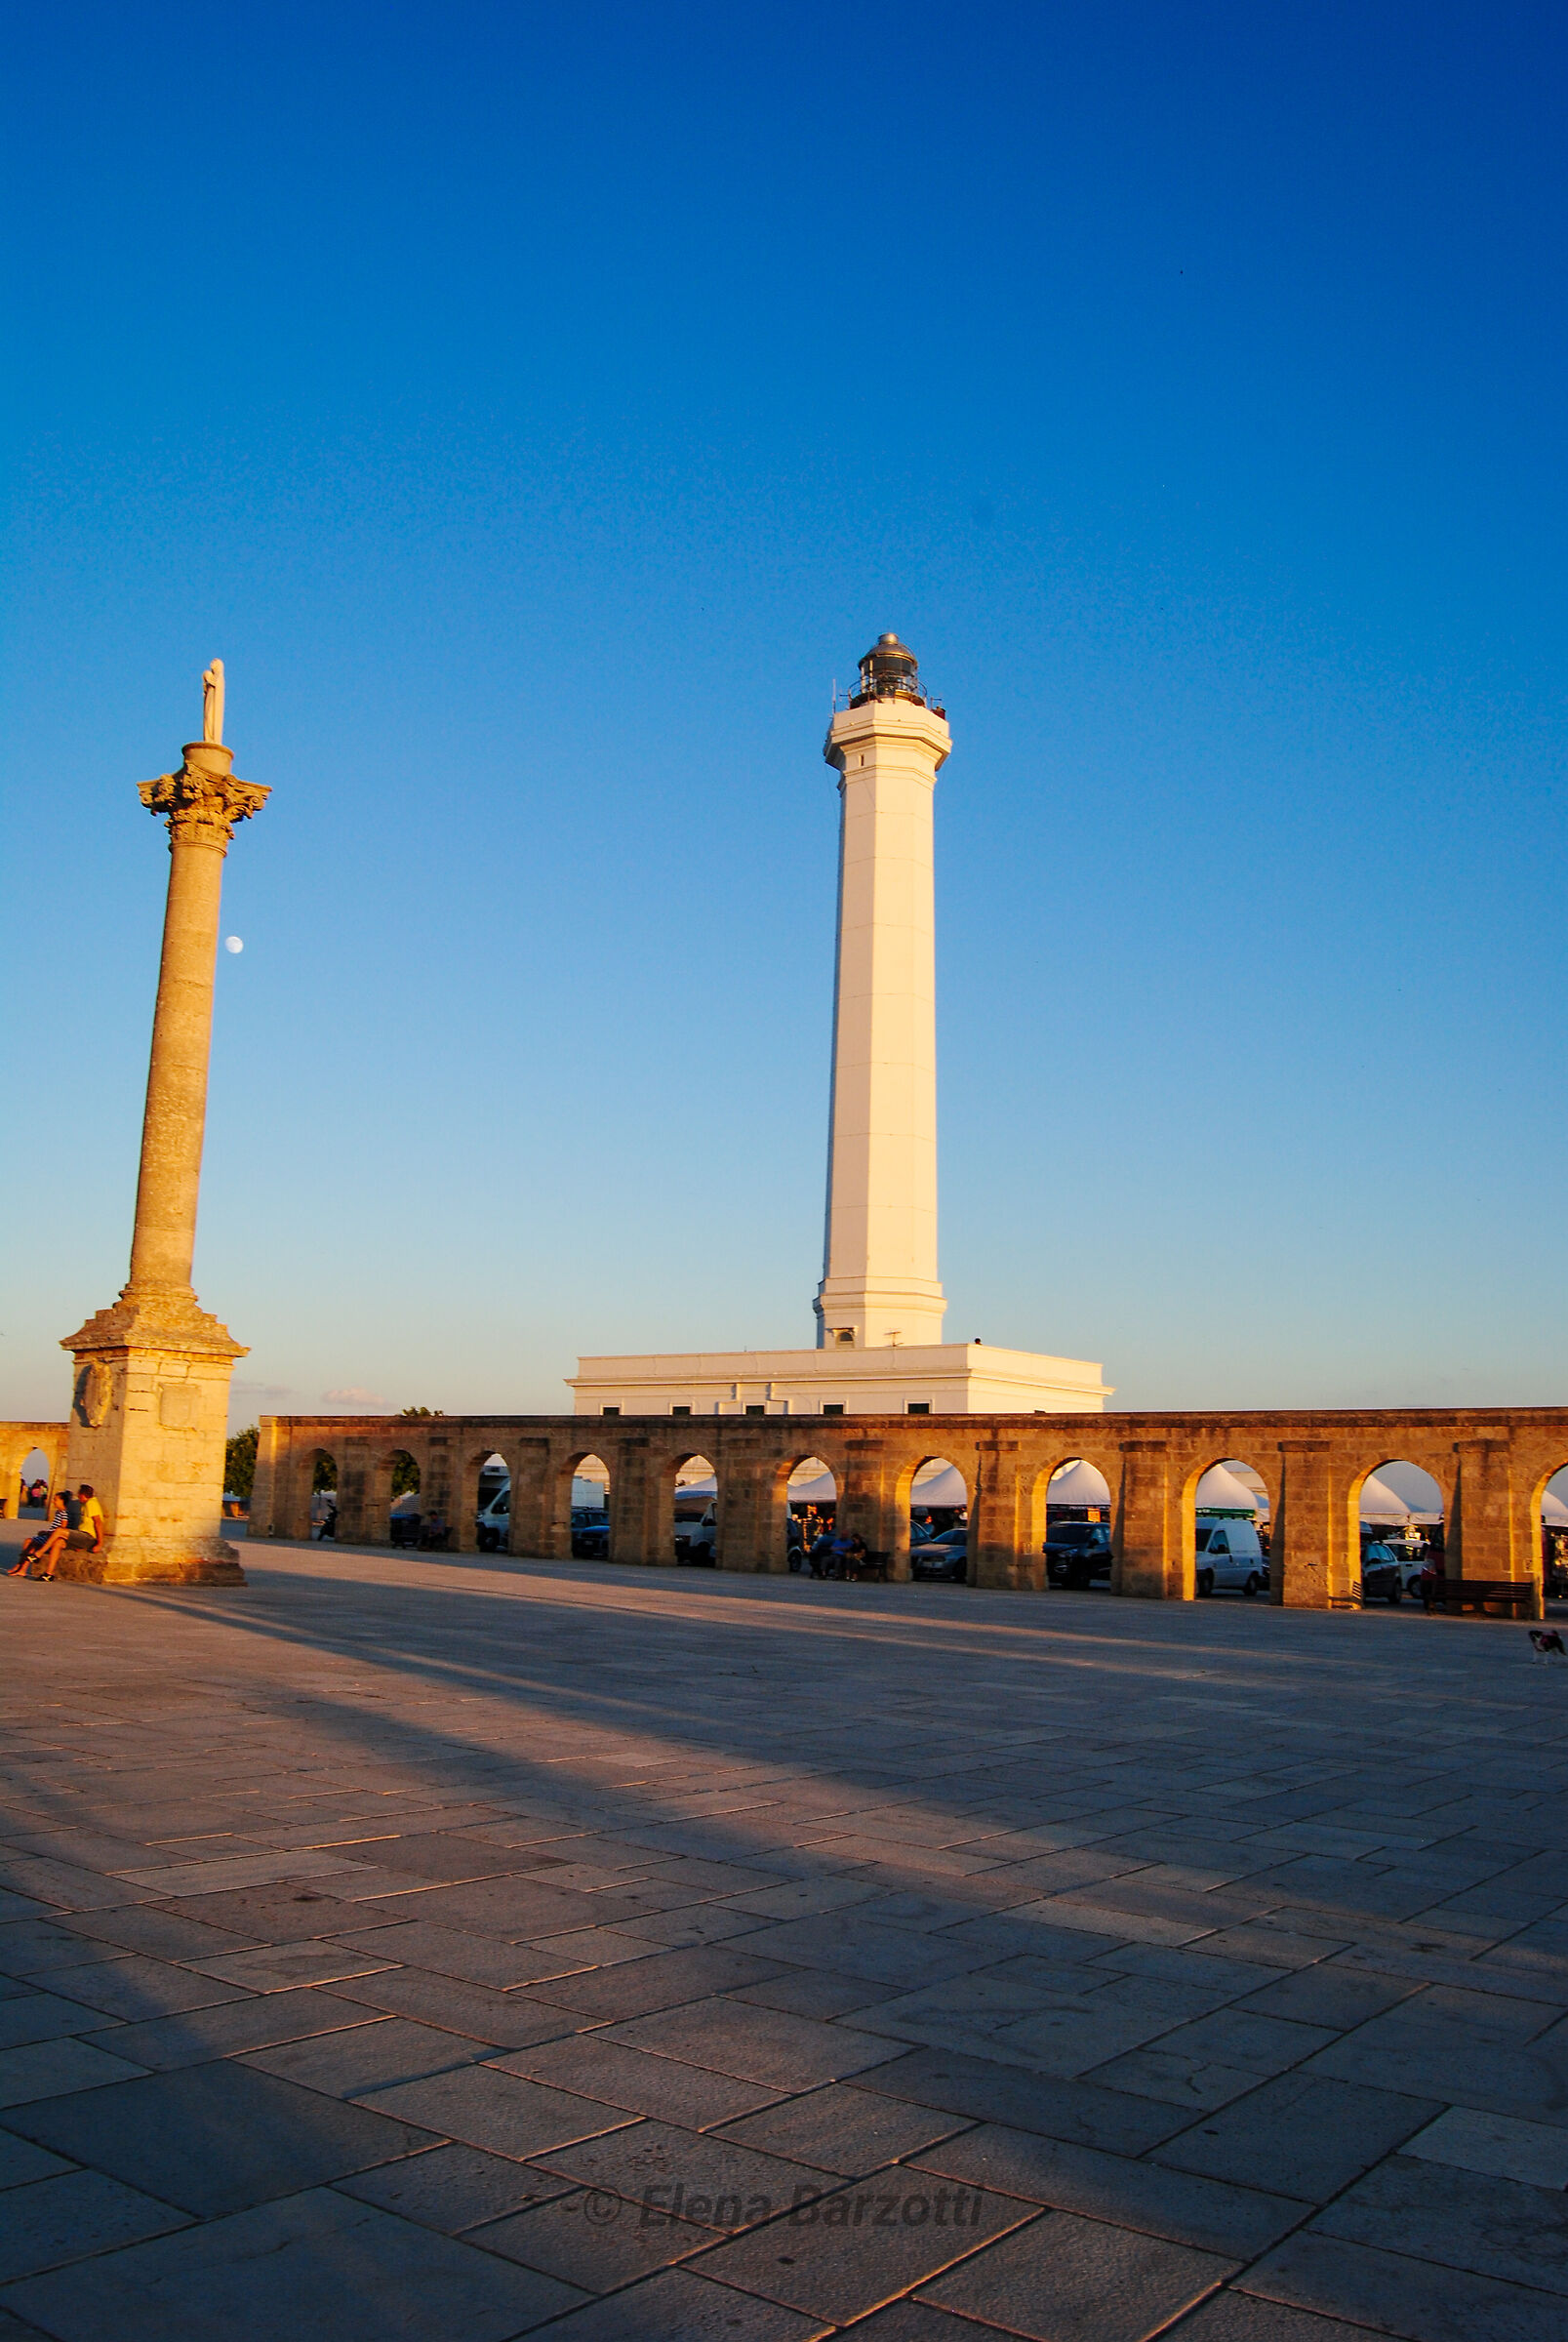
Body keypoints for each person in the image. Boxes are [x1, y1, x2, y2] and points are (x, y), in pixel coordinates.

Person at [32, 1485, 105, 1583]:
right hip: (82, 1536)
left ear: (82, 1495)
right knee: (58, 1543)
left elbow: (98, 1523)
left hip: (88, 1537)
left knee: (59, 1531)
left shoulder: (91, 1503)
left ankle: (39, 1553)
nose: (78, 1498)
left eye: (79, 1495)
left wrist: (100, 1543)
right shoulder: (85, 1504)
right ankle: (49, 1574)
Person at [9, 1488, 66, 1577]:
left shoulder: (64, 1513)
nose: (53, 1501)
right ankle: (22, 1568)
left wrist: (48, 1533)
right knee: (28, 1542)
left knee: (30, 1542)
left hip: (51, 1538)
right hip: (49, 1535)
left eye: (55, 1500)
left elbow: (62, 1527)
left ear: (62, 1501)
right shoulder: (58, 1512)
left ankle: (20, 1566)